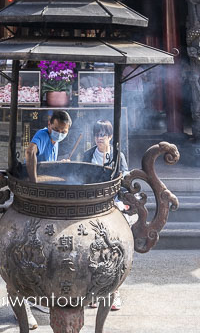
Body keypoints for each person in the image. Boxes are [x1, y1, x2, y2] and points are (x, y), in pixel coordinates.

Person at [78, 120, 129, 312]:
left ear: (110, 136)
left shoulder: (117, 156)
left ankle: (114, 292)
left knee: (115, 250)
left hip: (112, 204)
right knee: (90, 251)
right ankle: (92, 292)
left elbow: (125, 178)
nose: (100, 137)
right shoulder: (87, 155)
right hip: (90, 205)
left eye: (104, 134)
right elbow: (81, 178)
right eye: (97, 134)